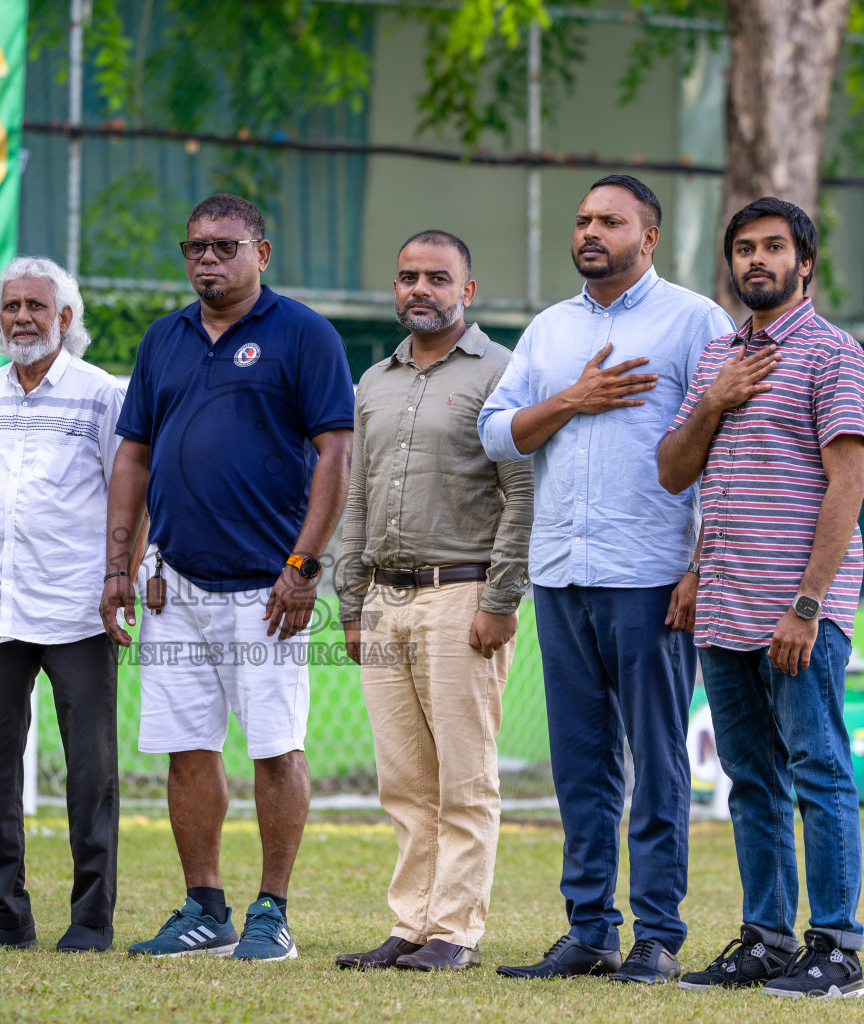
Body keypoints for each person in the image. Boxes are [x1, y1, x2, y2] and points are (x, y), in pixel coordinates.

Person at [478, 174, 735, 984]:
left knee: (657, 762)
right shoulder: (551, 329)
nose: (590, 231)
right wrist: (573, 399)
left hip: (653, 575)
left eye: (610, 221)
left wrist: (701, 564)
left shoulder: (696, 321)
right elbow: (495, 432)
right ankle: (589, 929)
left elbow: (721, 455)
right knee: (580, 763)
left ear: (648, 236)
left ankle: (657, 936)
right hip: (560, 572)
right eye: (584, 219)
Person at [100, 193, 354, 961]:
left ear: (260, 254)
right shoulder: (163, 339)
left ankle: (271, 913)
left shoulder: (303, 334)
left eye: (224, 246)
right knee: (186, 747)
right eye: (195, 248)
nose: (207, 259)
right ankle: (204, 909)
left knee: (275, 748)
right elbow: (134, 456)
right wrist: (120, 564)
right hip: (173, 584)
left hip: (268, 591)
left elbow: (336, 455)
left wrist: (303, 567)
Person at [658, 197, 864, 998]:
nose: (757, 261)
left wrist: (809, 605)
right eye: (744, 248)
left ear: (804, 262)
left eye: (773, 248)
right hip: (723, 607)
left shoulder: (834, 355)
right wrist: (714, 399)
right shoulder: (718, 358)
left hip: (798, 615)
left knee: (818, 771)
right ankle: (768, 940)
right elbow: (675, 471)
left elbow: (847, 483)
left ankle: (838, 947)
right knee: (752, 780)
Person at [333, 231, 532, 973]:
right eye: (408, 275)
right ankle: (409, 925)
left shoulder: (502, 373)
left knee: (464, 776)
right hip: (385, 597)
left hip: (464, 595)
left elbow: (522, 495)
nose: (420, 288)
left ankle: (456, 932)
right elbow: (358, 494)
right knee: (405, 780)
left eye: (437, 278)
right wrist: (351, 600)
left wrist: (502, 598)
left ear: (467, 292)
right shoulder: (374, 380)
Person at [0, 257, 125, 954]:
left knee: (91, 774)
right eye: (10, 306)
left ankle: (91, 919)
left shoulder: (101, 394)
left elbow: (125, 495)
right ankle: (4, 913)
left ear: (64, 319)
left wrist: (121, 576)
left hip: (79, 608)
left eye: (35, 306)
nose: (21, 317)